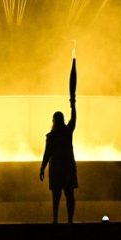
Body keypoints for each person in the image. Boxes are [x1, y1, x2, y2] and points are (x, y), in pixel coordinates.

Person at [39, 93, 77, 223]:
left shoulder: (52, 136)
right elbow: (73, 119)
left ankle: (56, 220)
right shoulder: (67, 132)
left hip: (57, 168)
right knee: (68, 196)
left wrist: (42, 168)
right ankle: (69, 220)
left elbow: (47, 154)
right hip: (67, 167)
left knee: (57, 196)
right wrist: (73, 104)